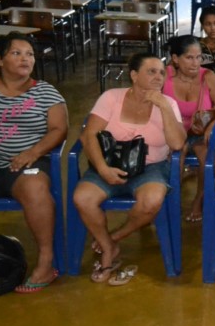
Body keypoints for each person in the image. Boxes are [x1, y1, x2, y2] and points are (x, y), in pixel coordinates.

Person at [72, 53, 187, 285]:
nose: (158, 77)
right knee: (82, 198)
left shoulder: (169, 103)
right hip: (110, 164)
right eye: (151, 71)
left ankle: (114, 237)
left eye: (161, 73)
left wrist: (164, 107)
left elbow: (176, 144)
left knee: (151, 201)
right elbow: (89, 135)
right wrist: (103, 169)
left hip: (151, 168)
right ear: (134, 75)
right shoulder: (111, 97)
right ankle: (108, 248)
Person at [0, 33, 68, 293]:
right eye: (16, 53)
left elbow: (59, 129)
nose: (25, 59)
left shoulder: (45, 92)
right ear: (0, 59)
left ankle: (46, 262)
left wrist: (33, 152)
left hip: (28, 165)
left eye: (29, 54)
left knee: (36, 191)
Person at [162, 35, 215, 222]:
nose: (195, 63)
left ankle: (200, 199)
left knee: (212, 157)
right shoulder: (164, 76)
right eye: (189, 58)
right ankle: (169, 202)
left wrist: (213, 125)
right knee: (174, 160)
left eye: (198, 57)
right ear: (175, 58)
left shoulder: (207, 77)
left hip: (201, 132)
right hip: (171, 132)